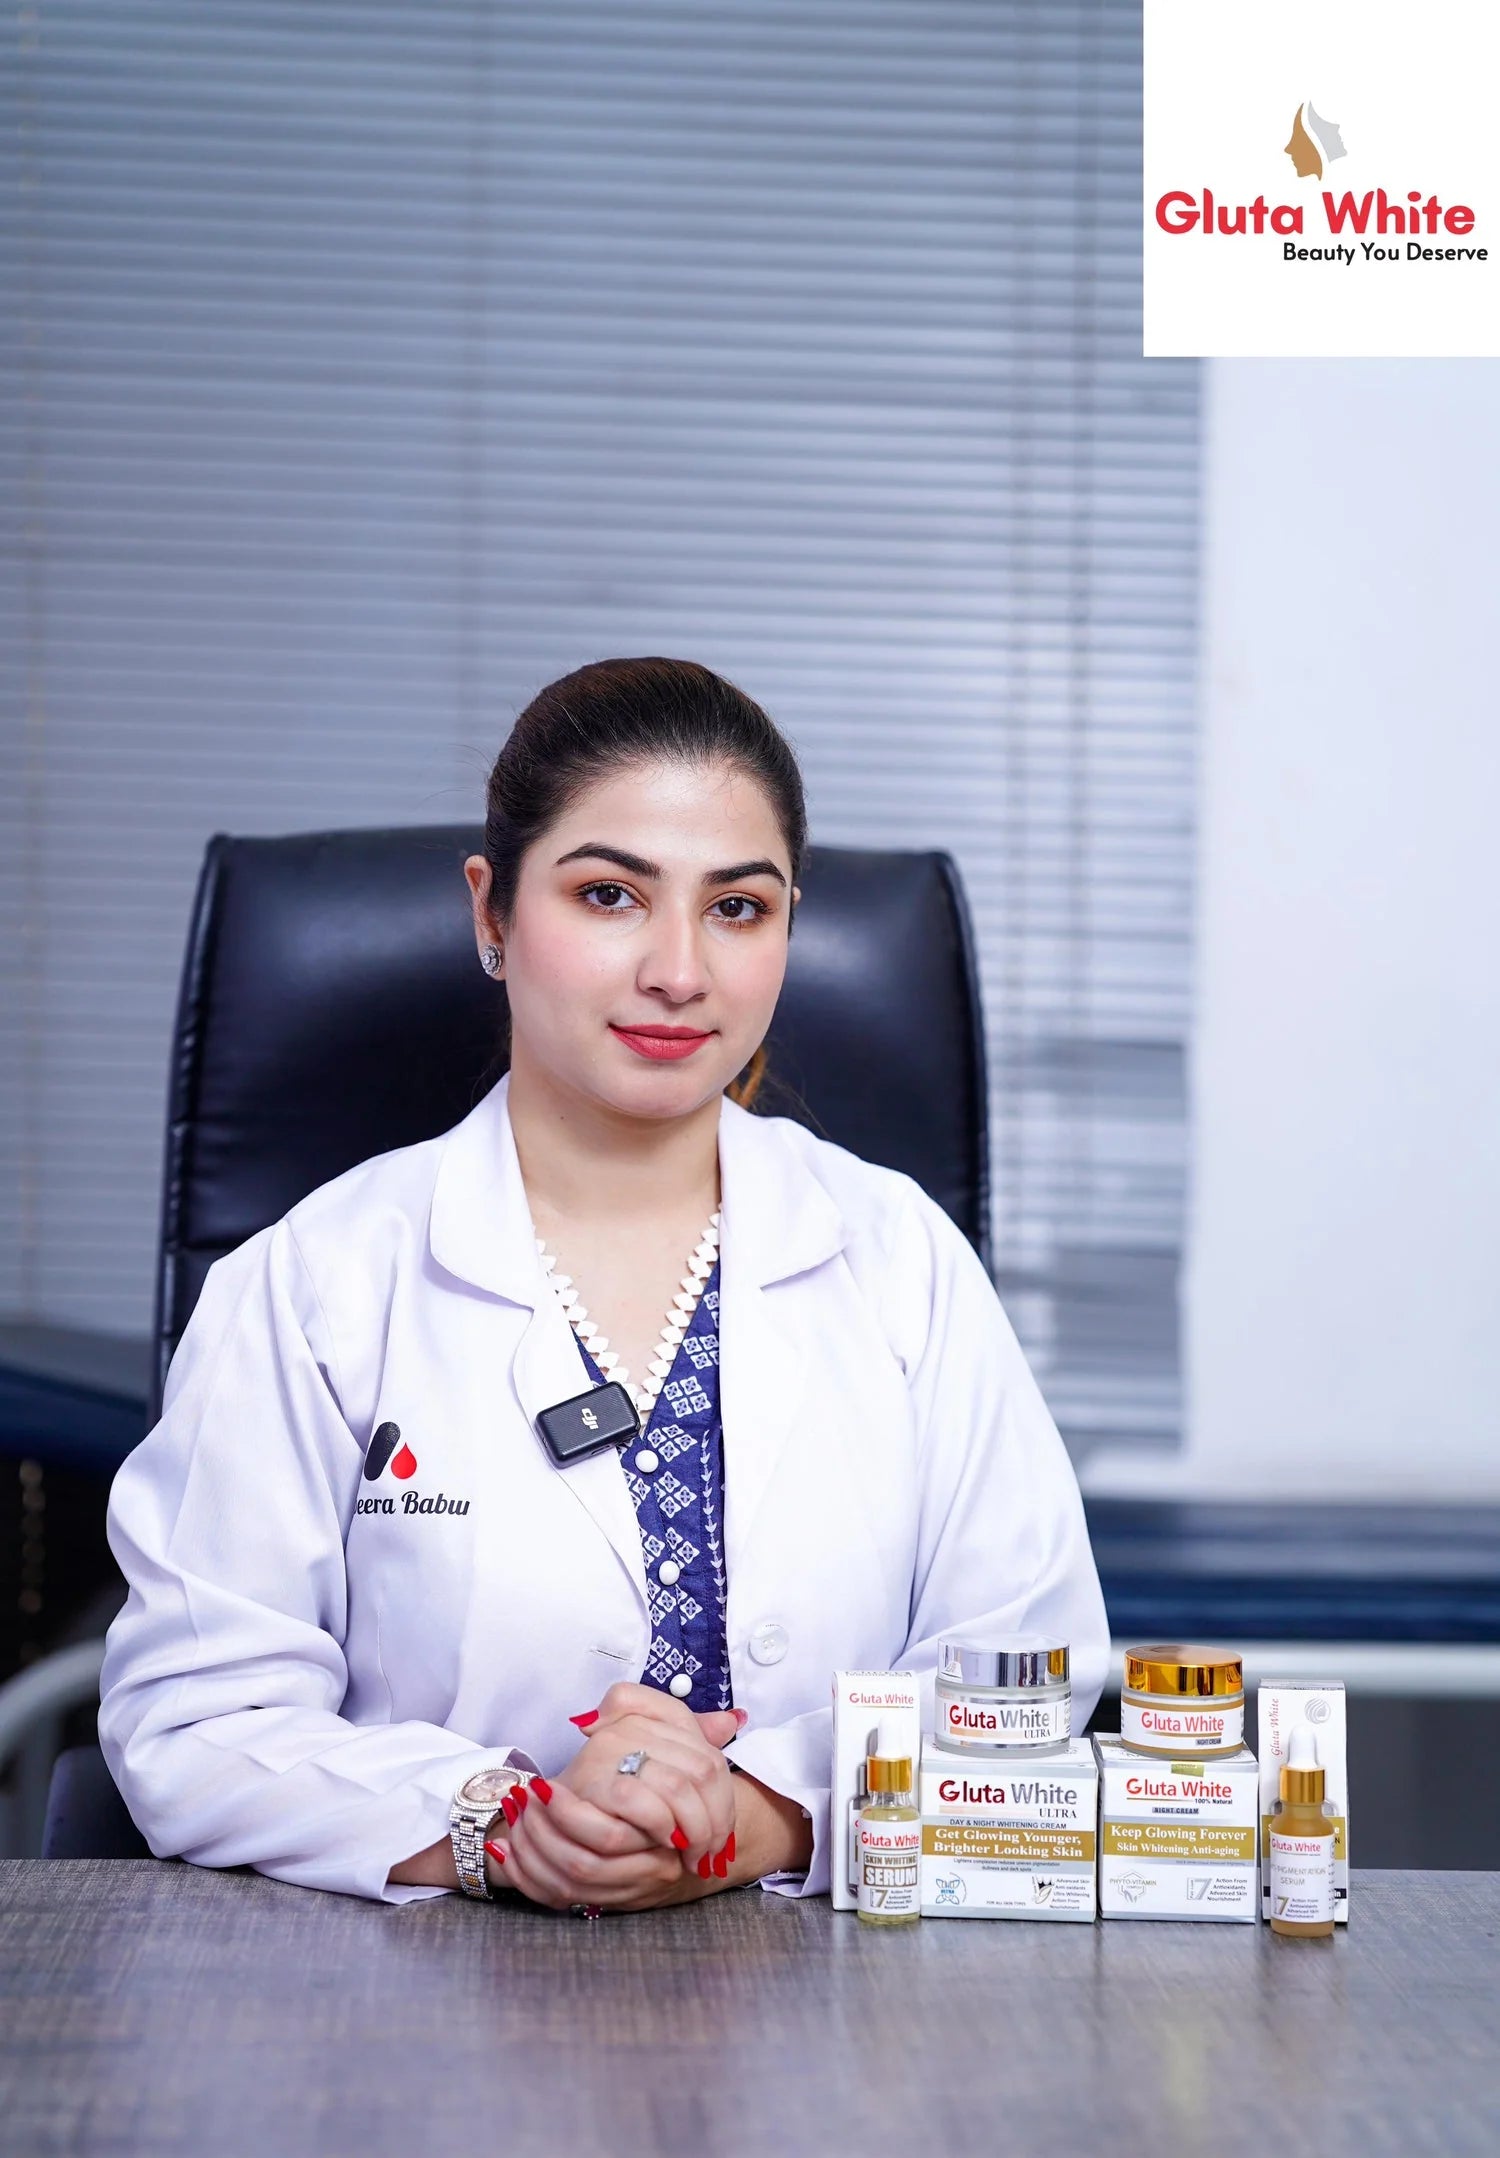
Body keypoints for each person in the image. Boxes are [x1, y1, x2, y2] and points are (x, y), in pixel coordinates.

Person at [99, 655, 1110, 1910]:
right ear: (491, 913)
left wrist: (752, 1815)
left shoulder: (899, 1261)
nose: (679, 970)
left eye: (738, 908)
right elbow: (193, 1720)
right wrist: (503, 1828)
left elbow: (1027, 1673)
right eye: (610, 894)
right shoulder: (312, 1286)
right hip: (403, 2029)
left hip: (849, 2035)